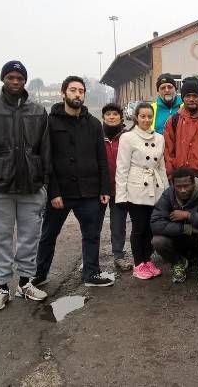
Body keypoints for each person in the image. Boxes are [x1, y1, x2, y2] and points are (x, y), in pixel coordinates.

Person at [0, 60, 50, 310]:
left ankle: (25, 283)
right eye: (10, 78)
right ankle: (2, 288)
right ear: (3, 79)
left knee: (30, 238)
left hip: (31, 187)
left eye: (19, 78)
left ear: (25, 81)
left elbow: (45, 150)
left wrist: (45, 183)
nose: (15, 82)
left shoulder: (38, 111)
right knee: (1, 240)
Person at [33, 76, 113, 288]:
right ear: (63, 93)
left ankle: (91, 273)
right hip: (60, 193)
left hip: (89, 192)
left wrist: (104, 187)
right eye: (73, 90)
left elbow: (101, 159)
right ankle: (39, 274)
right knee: (48, 235)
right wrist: (53, 192)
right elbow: (46, 160)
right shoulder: (49, 123)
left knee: (91, 235)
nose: (78, 94)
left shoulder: (94, 124)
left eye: (81, 91)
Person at [115, 102, 168, 280]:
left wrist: (166, 192)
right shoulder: (127, 138)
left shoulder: (160, 138)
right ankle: (139, 264)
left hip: (155, 187)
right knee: (139, 228)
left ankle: (147, 260)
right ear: (136, 117)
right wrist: (121, 195)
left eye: (149, 116)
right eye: (143, 116)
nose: (146, 119)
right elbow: (121, 168)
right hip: (136, 188)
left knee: (152, 228)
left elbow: (161, 167)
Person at [151, 167, 198, 283]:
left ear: (193, 183)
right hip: (178, 237)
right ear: (173, 185)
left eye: (186, 186)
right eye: (179, 187)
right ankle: (178, 262)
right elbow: (155, 224)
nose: (183, 190)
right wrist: (187, 229)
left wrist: (189, 215)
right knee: (157, 241)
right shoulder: (167, 195)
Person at [97, 103, 132, 271]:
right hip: (99, 189)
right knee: (94, 225)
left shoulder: (128, 136)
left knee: (118, 224)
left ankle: (118, 256)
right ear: (103, 117)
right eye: (108, 114)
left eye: (115, 114)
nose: (111, 116)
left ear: (121, 117)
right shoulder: (95, 136)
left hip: (121, 189)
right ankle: (91, 259)